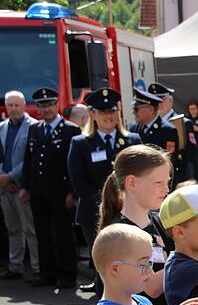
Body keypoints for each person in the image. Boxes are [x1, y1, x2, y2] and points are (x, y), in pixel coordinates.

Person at [69, 87, 143, 293]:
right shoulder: (81, 143)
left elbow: (141, 175)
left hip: (129, 208)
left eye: (111, 111)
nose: (108, 116)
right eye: (102, 112)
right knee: (102, 252)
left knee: (128, 252)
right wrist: (106, 202)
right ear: (92, 114)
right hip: (94, 210)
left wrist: (125, 201)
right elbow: (78, 179)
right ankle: (104, 287)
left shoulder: (132, 140)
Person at [97, 145, 175, 305]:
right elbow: (151, 287)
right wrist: (189, 254)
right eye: (158, 183)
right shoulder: (120, 233)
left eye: (167, 182)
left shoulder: (158, 221)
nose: (167, 190)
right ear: (132, 183)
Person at [20, 87, 81, 288]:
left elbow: (74, 164)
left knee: (63, 234)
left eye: (49, 105)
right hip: (38, 191)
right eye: (42, 106)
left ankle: (67, 275)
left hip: (61, 192)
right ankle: (48, 274)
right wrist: (24, 187)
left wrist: (73, 191)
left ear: (57, 105)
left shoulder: (70, 130)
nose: (46, 109)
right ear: (37, 108)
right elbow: (29, 160)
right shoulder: (35, 129)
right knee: (42, 234)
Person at [0, 90, 38, 281]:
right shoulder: (1, 127)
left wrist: (13, 177)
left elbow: (30, 159)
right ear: (6, 107)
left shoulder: (33, 126)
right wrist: (3, 179)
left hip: (22, 185)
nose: (13, 109)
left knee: (30, 228)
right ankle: (15, 266)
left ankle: (37, 267)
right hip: (5, 186)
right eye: (10, 105)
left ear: (24, 106)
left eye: (17, 105)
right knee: (12, 227)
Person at [149, 83, 196, 183]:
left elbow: (191, 153)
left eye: (161, 100)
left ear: (170, 101)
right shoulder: (150, 124)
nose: (158, 104)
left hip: (179, 172)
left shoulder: (183, 123)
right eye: (154, 101)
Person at [128, 88, 181, 175]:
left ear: (150, 109)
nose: (133, 112)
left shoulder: (168, 130)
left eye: (136, 108)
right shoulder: (134, 129)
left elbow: (170, 159)